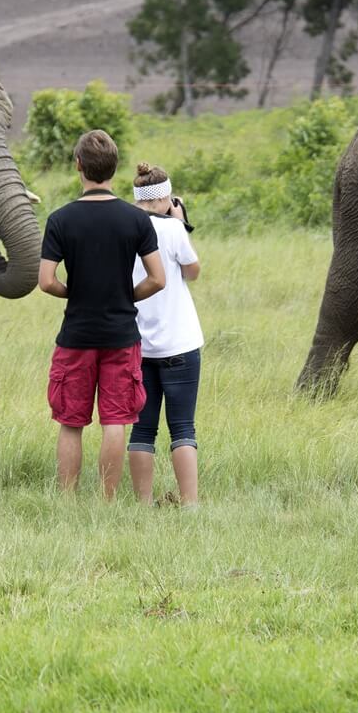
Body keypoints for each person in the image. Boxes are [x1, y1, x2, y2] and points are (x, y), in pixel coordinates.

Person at [38, 130, 166, 498]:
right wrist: (127, 294)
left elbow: (46, 281)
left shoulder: (61, 219)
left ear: (78, 166)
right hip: (122, 335)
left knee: (71, 422)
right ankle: (107, 501)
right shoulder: (136, 220)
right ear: (114, 168)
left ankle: (67, 500)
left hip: (76, 335)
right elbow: (158, 279)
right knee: (116, 421)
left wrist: (74, 293)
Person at [126, 163, 203, 507]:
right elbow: (193, 271)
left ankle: (142, 504)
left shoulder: (125, 227)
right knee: (183, 427)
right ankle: (190, 503)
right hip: (181, 342)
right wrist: (180, 221)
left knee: (142, 429)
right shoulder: (173, 230)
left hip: (137, 345)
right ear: (165, 198)